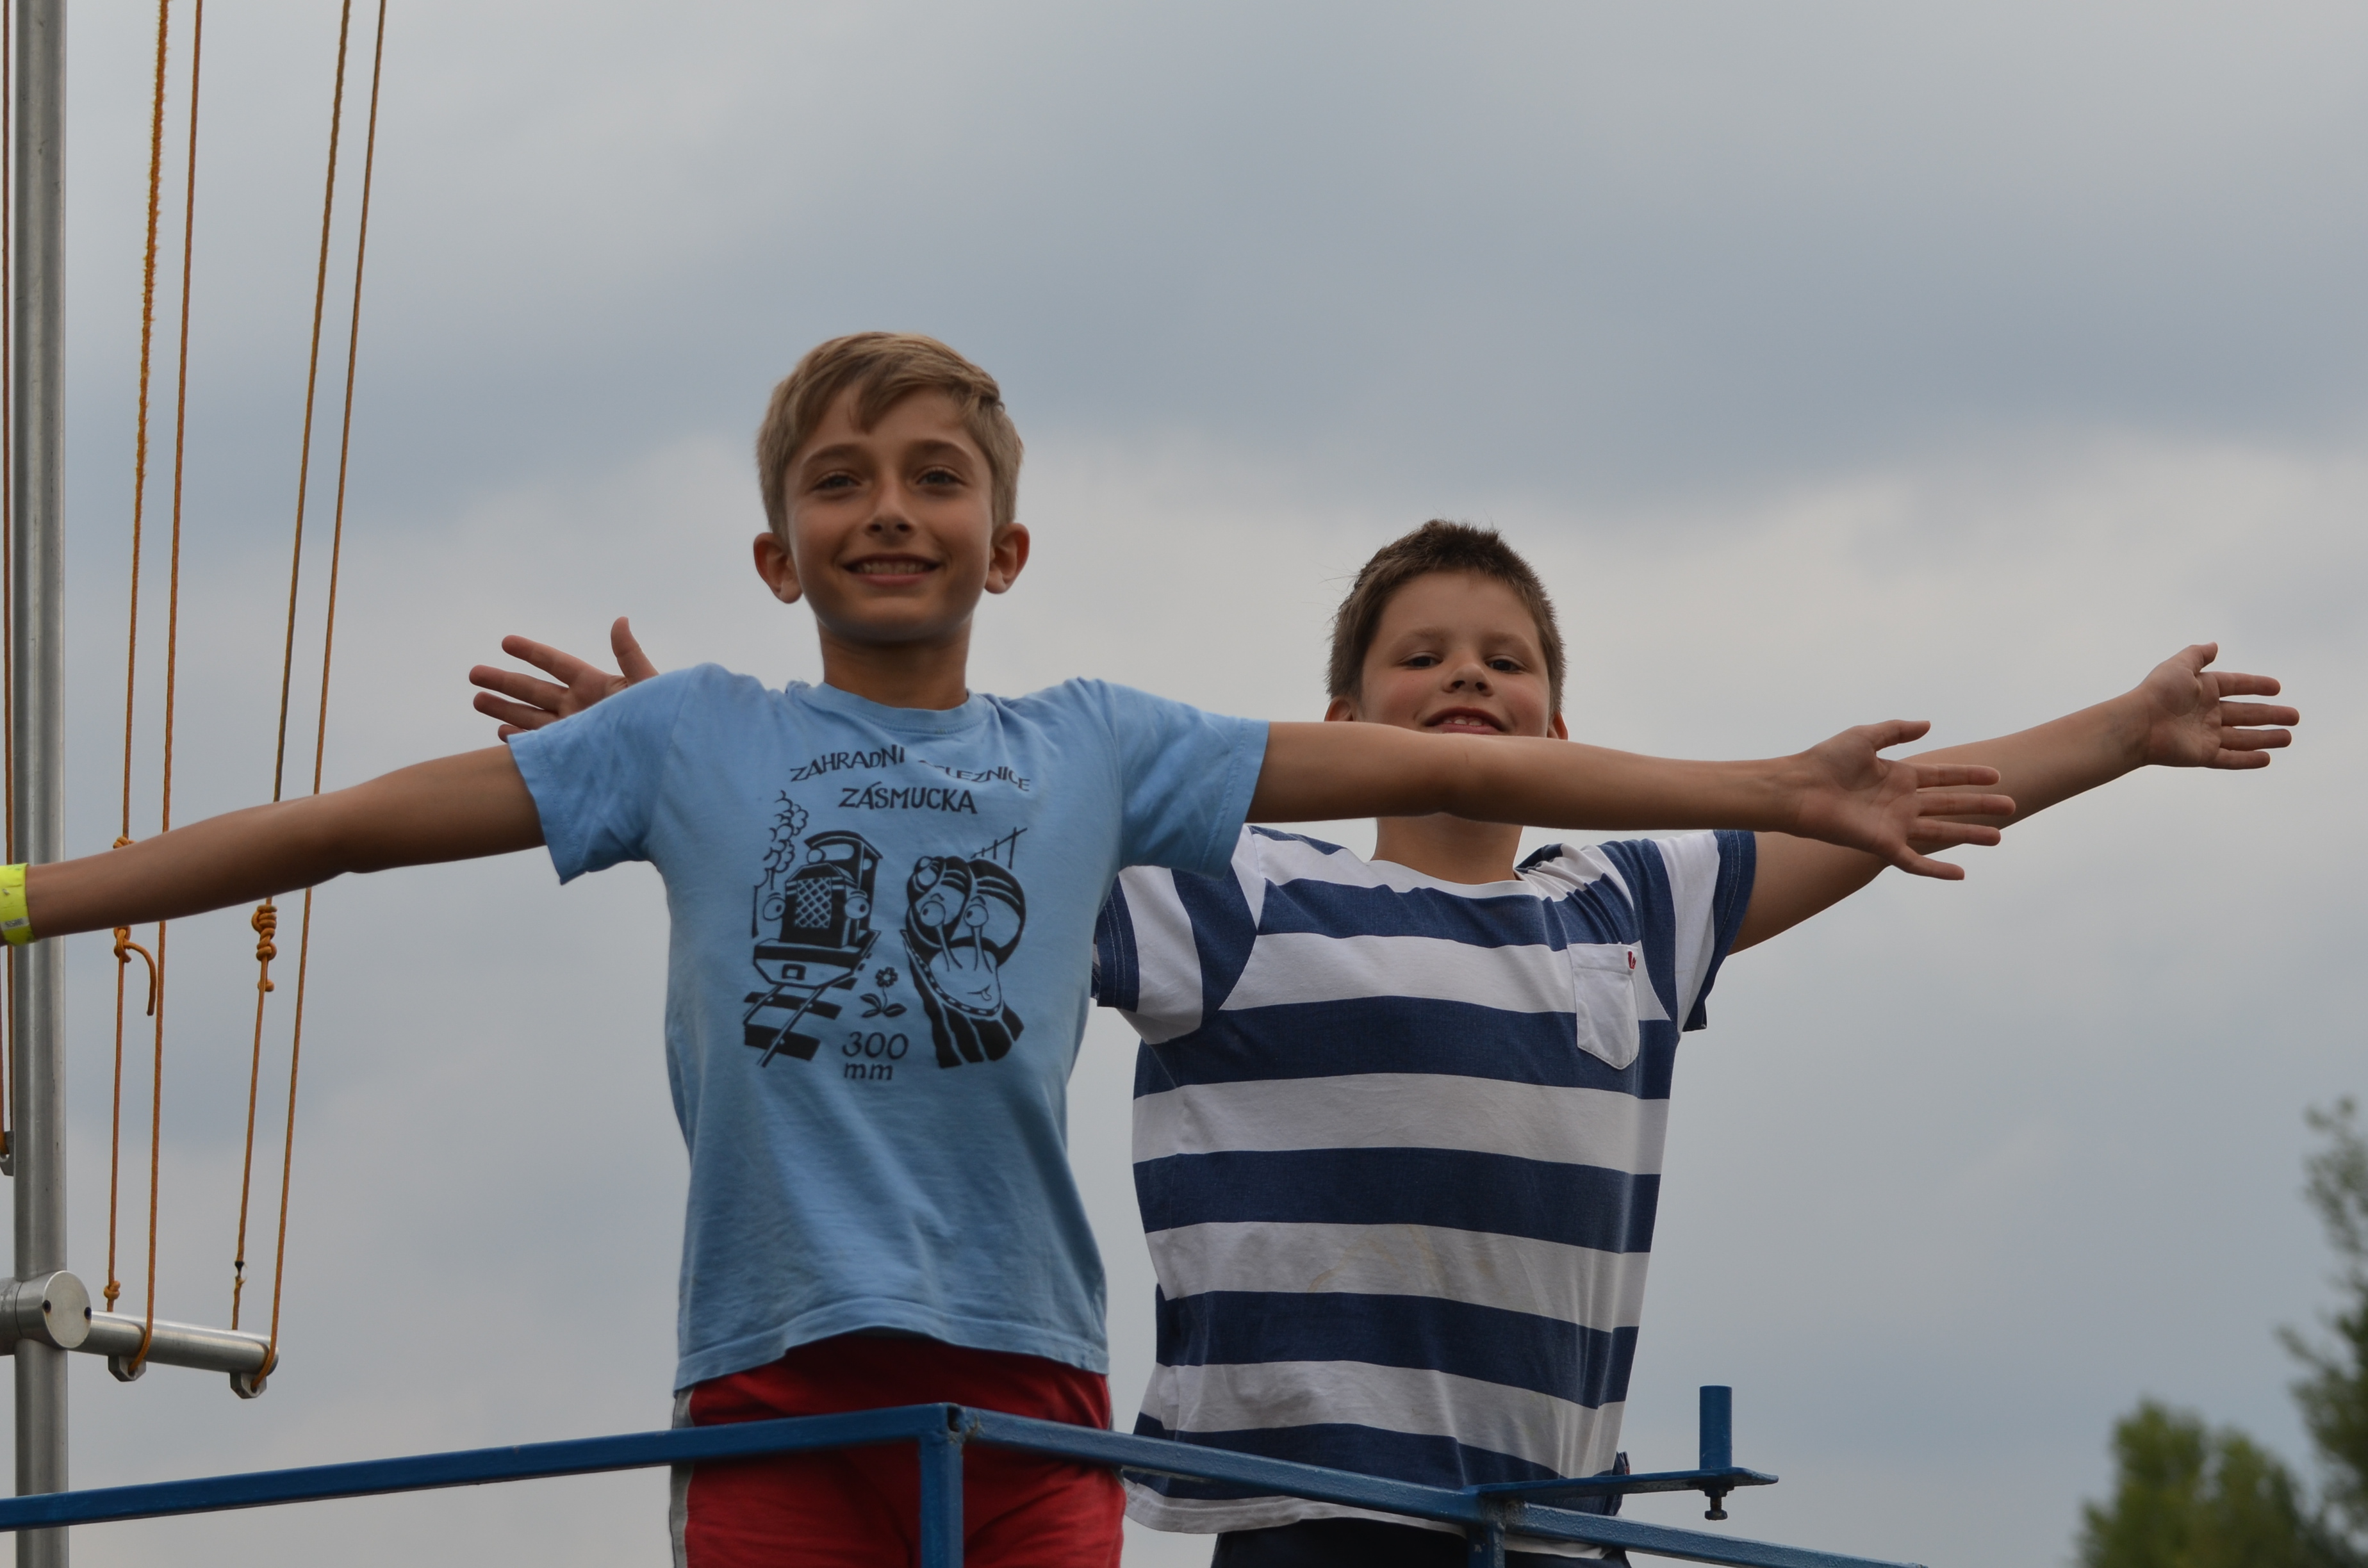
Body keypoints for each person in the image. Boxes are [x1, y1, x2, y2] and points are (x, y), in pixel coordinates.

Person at [27, 331, 1999, 1568]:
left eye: (935, 479)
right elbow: (336, 830)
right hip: (772, 1379)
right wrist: (30, 899)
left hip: (1032, 1384)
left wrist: (1772, 784)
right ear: (776, 554)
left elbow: (1429, 760)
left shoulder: (1095, 752)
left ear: (1007, 547)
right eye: (839, 482)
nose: (889, 511)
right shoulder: (687, 737)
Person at [1086, 521, 2296, 1566]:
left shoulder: (1623, 906)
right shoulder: (1240, 888)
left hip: (1549, 1519)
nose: (1467, 675)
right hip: (1318, 1511)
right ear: (1343, 727)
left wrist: (2126, 730)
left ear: (1563, 734)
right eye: (1422, 656)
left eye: (1506, 661)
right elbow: (1021, 845)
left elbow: (1891, 808)